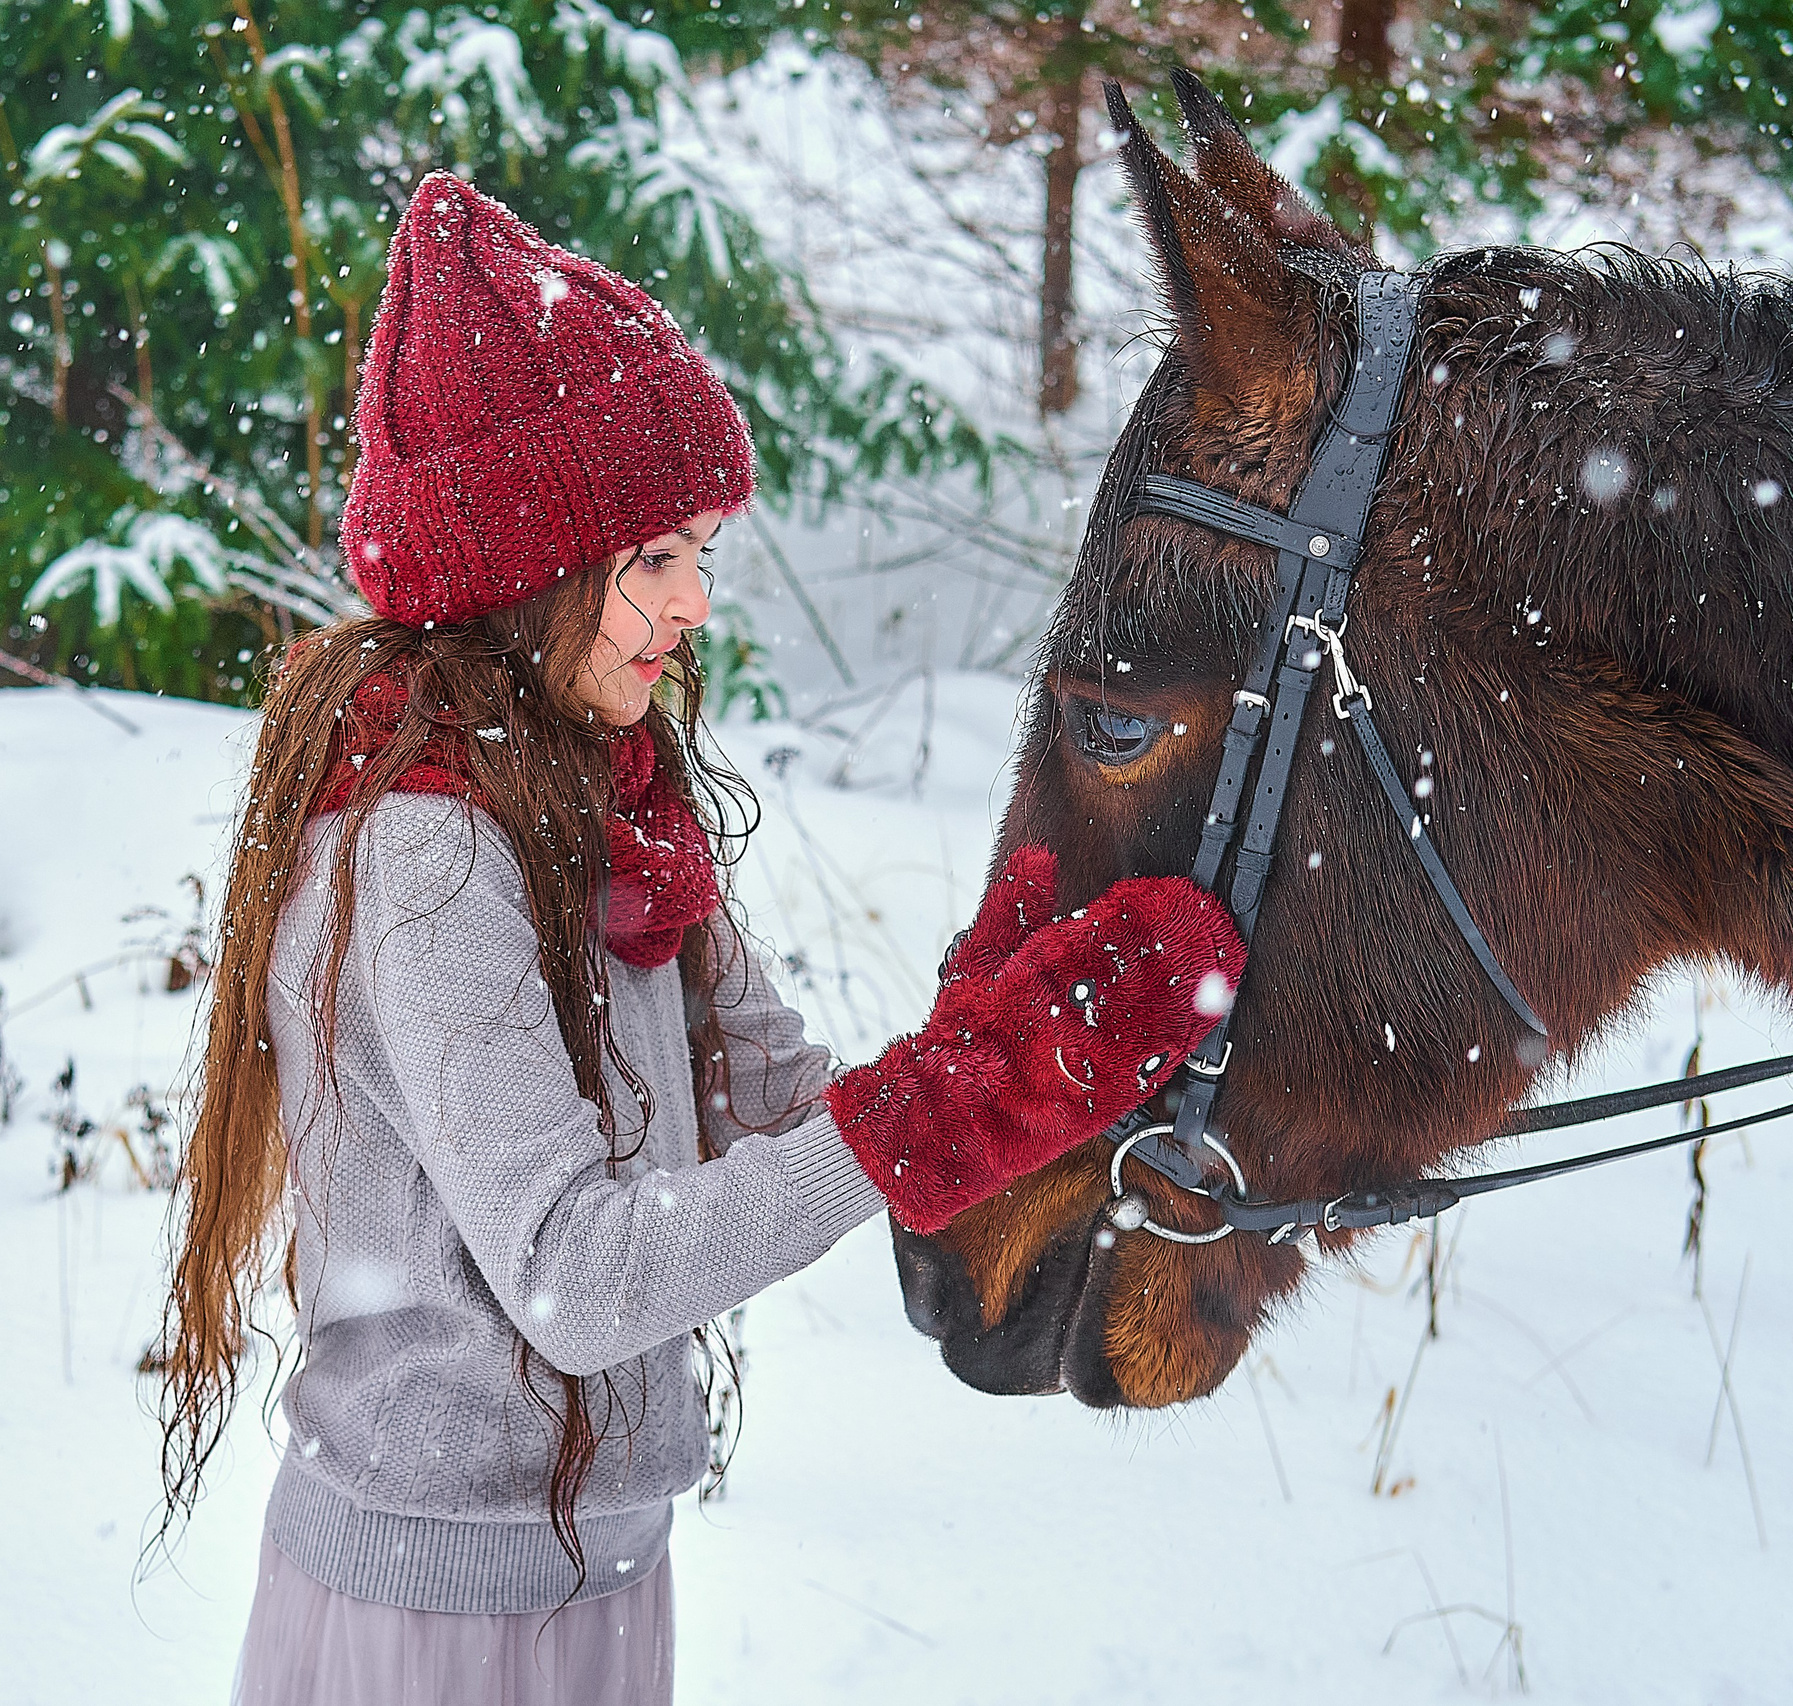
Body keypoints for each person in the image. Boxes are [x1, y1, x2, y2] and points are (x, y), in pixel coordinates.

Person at [152, 171, 1245, 1704]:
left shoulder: (613, 814)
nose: (695, 602)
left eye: (704, 551)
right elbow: (574, 1275)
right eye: (654, 555)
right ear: (529, 566)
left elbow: (785, 1111)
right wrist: (918, 1114)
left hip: (602, 1568)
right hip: (433, 1615)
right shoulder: (428, 854)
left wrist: (990, 1043)